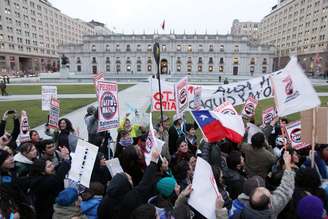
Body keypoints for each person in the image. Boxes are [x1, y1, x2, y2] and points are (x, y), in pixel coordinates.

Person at [97, 149, 159, 219]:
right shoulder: (130, 198)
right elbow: (145, 183)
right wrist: (153, 162)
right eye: (129, 179)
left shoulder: (105, 201)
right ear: (125, 185)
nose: (131, 179)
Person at [232, 151, 295, 219]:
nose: (271, 193)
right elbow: (286, 189)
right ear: (269, 204)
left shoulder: (238, 211)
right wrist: (287, 164)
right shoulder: (273, 208)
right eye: (270, 195)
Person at [29, 148, 71, 219]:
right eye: (49, 166)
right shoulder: (44, 181)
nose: (53, 167)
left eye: (52, 164)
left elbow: (58, 169)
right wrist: (66, 160)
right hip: (47, 213)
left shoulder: (41, 177)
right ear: (42, 172)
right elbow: (58, 177)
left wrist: (65, 158)